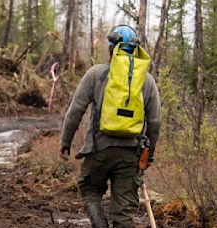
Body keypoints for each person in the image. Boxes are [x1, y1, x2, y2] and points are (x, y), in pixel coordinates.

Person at [59, 25, 161, 228]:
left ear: (110, 48)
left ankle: (99, 224)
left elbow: (75, 110)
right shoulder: (147, 81)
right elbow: (155, 121)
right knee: (123, 213)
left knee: (90, 190)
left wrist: (65, 141)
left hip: (98, 150)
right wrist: (148, 155)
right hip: (131, 155)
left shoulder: (95, 74)